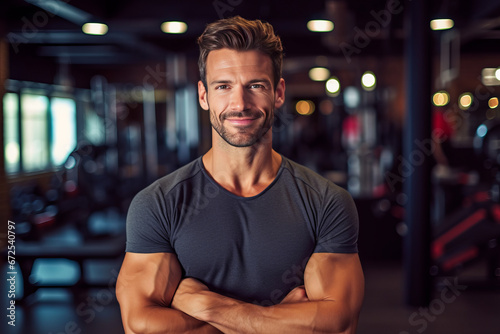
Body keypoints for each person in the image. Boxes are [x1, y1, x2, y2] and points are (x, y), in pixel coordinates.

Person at [116, 16, 364, 334]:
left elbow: (338, 326)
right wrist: (276, 321)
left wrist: (209, 306)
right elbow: (141, 327)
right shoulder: (158, 203)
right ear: (204, 96)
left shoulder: (326, 202)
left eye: (255, 86)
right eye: (223, 86)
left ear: (278, 92)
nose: (240, 103)